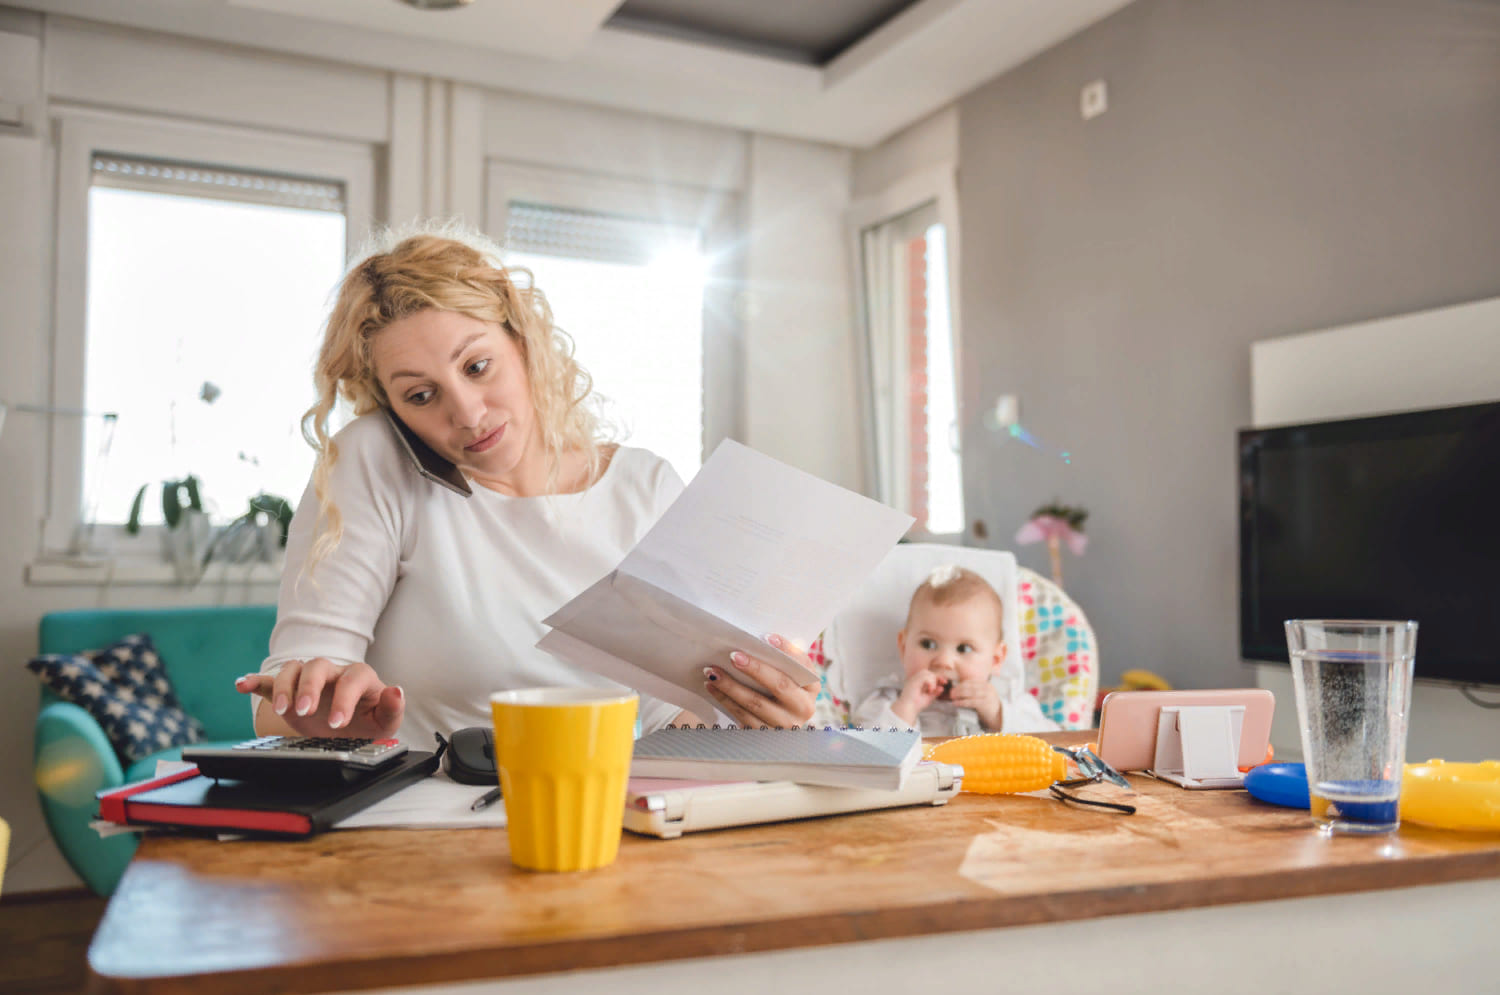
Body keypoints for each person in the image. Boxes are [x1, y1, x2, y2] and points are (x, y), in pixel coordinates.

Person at [234, 222, 818, 743]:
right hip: (427, 828)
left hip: (607, 817)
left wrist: (754, 715)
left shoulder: (646, 487)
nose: (465, 413)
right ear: (391, 406)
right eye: (420, 395)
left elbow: (673, 726)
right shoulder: (374, 460)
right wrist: (327, 710)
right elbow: (282, 703)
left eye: (476, 366)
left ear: (523, 341)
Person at [851, 565, 1048, 736]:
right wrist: (906, 709)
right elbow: (865, 752)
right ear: (903, 647)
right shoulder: (888, 700)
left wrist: (997, 714)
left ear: (995, 660)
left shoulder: (1009, 698)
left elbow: (1051, 743)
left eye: (964, 648)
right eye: (928, 644)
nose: (944, 661)